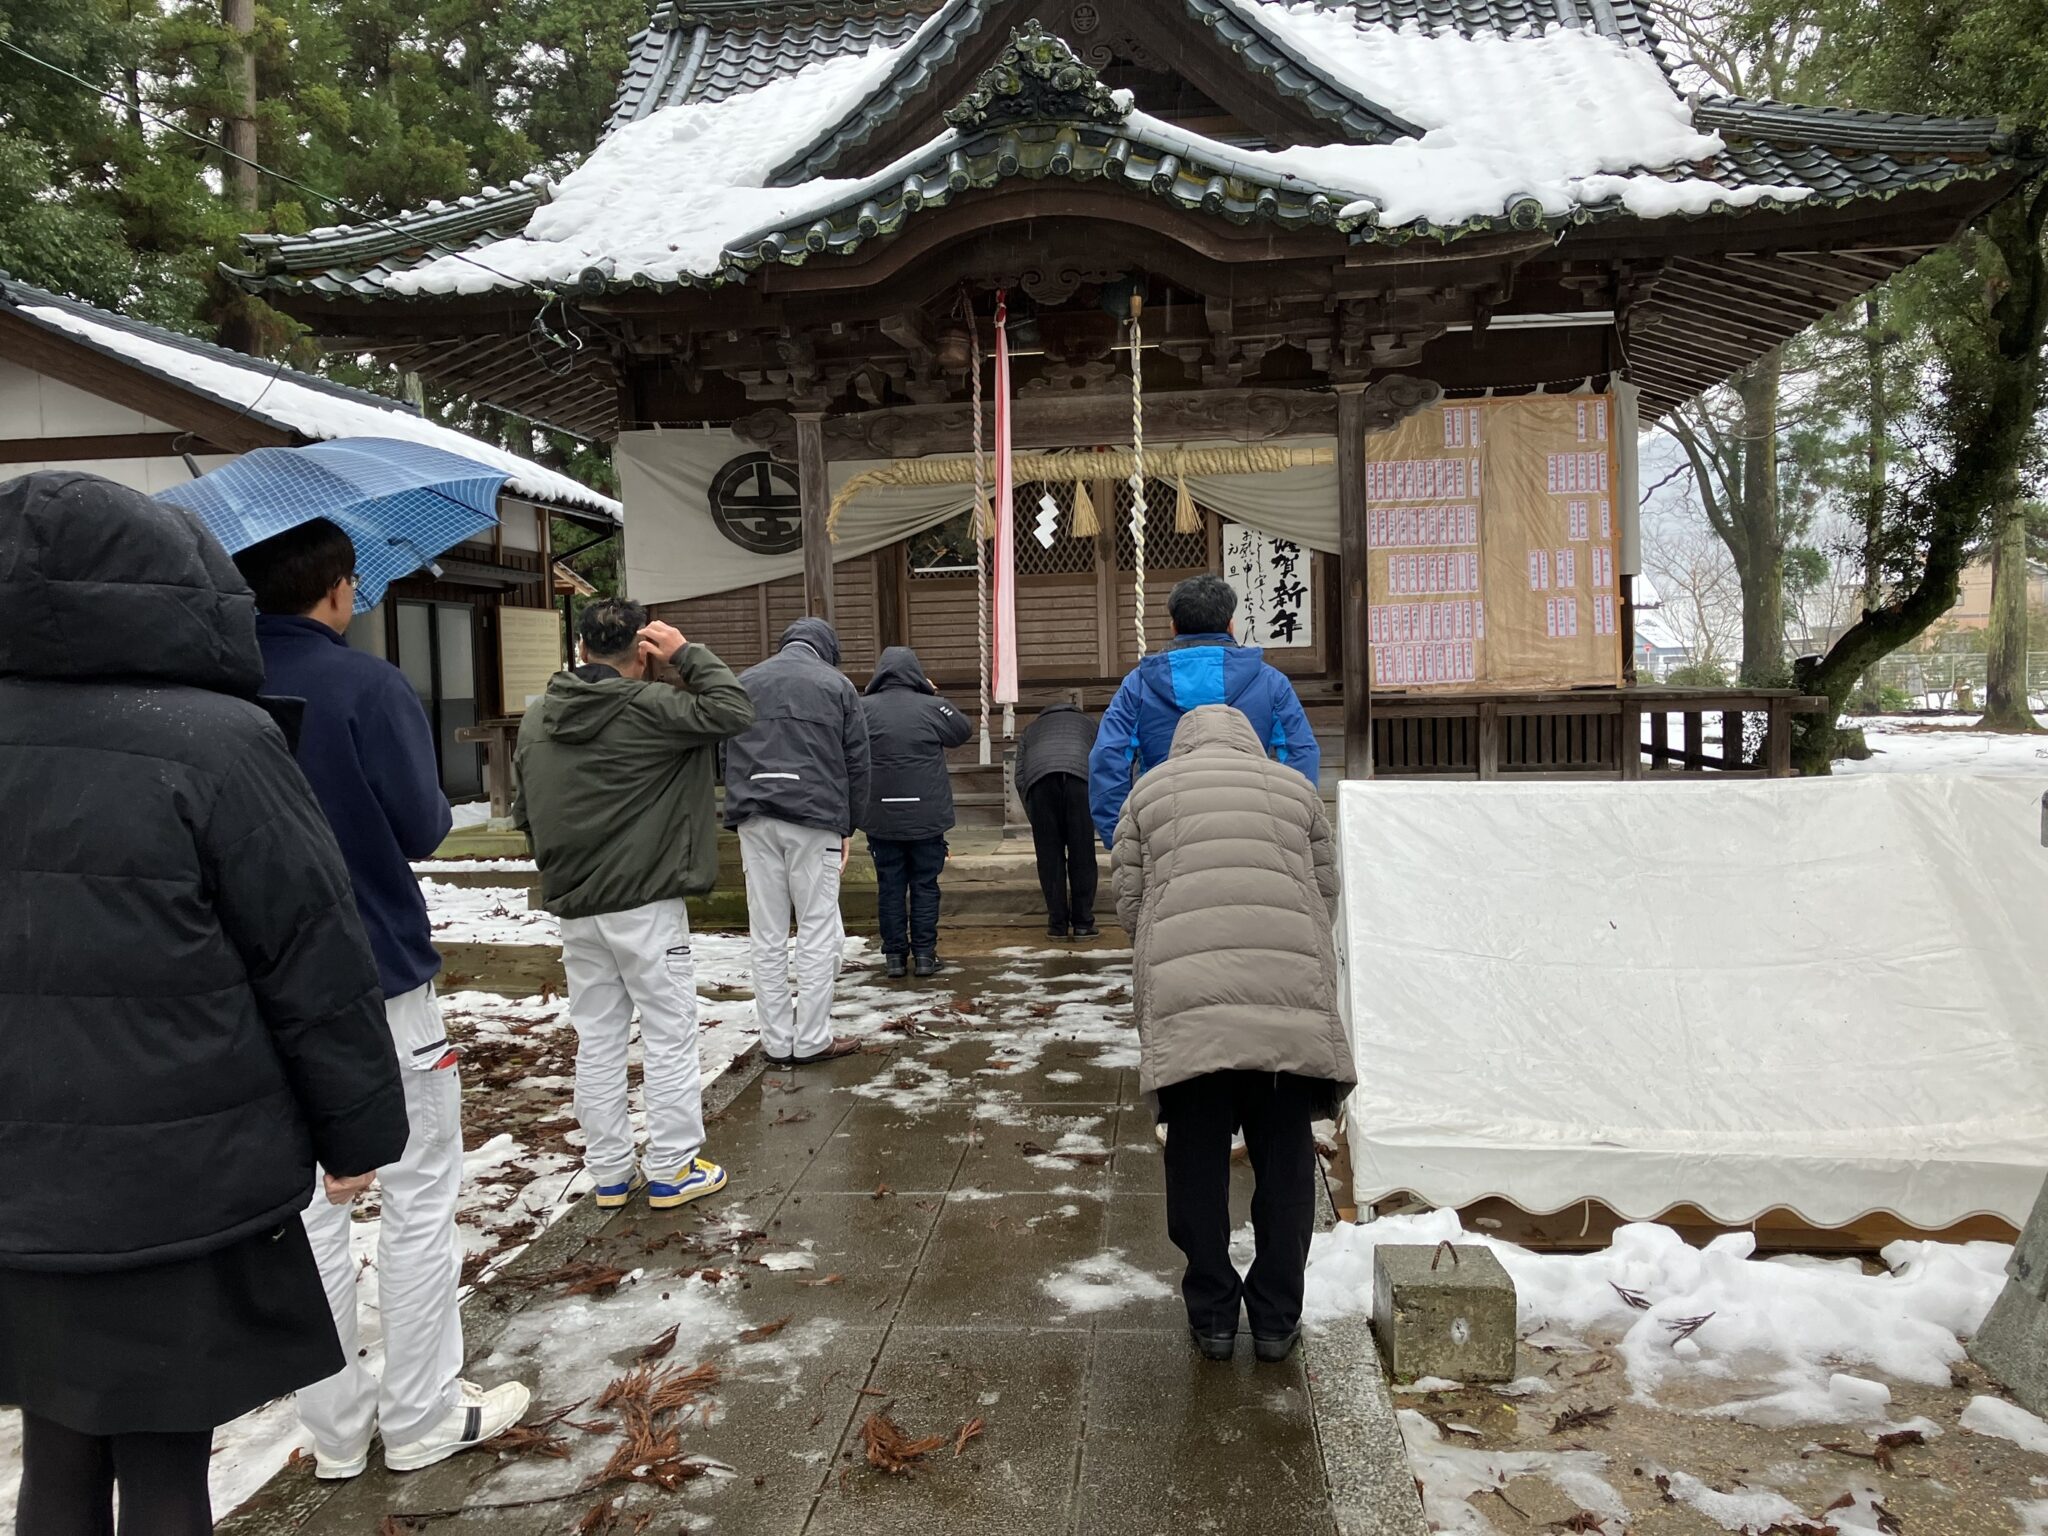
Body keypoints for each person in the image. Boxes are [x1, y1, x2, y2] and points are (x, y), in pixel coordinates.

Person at [0, 472, 411, 1533]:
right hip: (178, 1167)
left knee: (58, 1438)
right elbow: (310, 952)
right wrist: (356, 1129)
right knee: (165, 1456)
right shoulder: (218, 741)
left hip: (19, 1179)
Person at [232, 517, 530, 1479]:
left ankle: (334, 1433)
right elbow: (423, 826)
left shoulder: (210, 691)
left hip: (250, 986)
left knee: (302, 1214)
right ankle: (421, 1415)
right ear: (337, 589)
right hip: (380, 977)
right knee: (416, 1195)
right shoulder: (364, 684)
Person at [1111, 704, 1356, 1366]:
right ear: (1249, 742)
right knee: (1285, 1158)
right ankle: (1276, 1320)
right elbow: (1325, 894)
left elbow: (1130, 903)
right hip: (1287, 1001)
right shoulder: (1295, 790)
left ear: (1181, 744)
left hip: (1190, 1004)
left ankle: (1214, 1315)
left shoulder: (1150, 792)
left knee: (1195, 1158)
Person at [514, 598, 756, 1211]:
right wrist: (686, 654)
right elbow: (734, 709)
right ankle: (673, 1166)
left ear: (581, 649)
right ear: (642, 653)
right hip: (646, 898)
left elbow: (525, 809)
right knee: (668, 1031)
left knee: (598, 1038)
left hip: (577, 900)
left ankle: (611, 1174)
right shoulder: (652, 707)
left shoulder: (539, 716)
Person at [725, 618, 870, 1066]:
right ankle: (811, 1037)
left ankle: (774, 1040)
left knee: (766, 933)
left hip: (755, 816)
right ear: (827, 650)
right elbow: (858, 760)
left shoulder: (745, 681)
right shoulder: (837, 685)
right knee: (816, 928)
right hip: (815, 816)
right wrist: (849, 825)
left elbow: (723, 749)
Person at [1087, 572, 1320, 848]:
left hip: (1164, 831)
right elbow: (1300, 752)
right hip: (1255, 826)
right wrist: (1292, 829)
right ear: (1231, 626)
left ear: (1174, 627)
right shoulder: (1271, 682)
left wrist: (1119, 837)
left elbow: (1108, 755)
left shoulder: (1138, 685)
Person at [858, 646, 972, 978]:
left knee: (889, 885)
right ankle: (924, 955)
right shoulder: (932, 706)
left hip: (880, 816)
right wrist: (933, 694)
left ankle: (894, 957)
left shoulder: (863, 708)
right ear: (916, 673)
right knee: (925, 884)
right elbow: (962, 730)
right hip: (927, 815)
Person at [1015, 692, 1100, 941]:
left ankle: (1057, 924)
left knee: (1049, 856)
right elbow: (1103, 759)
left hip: (1040, 783)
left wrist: (1034, 814)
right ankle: (1083, 923)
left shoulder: (1031, 729)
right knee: (1083, 854)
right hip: (1080, 781)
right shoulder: (1090, 724)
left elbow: (1019, 775)